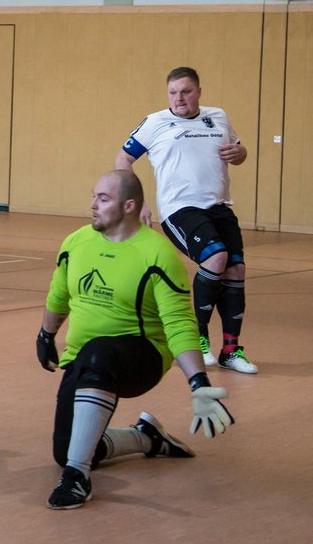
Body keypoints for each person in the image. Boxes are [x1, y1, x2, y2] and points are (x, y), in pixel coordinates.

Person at [36, 169, 234, 509]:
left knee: (98, 355)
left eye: (103, 199)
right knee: (65, 449)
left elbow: (178, 323)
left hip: (142, 357)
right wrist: (46, 334)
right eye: (94, 196)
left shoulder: (157, 254)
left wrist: (198, 383)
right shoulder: (76, 242)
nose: (93, 205)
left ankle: (77, 477)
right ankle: (146, 438)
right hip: (86, 358)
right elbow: (59, 294)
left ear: (129, 206)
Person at [115, 66, 256, 374]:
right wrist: (137, 200)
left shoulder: (218, 116)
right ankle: (197, 339)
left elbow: (239, 151)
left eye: (186, 91)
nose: (179, 98)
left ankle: (230, 350)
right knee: (216, 257)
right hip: (180, 209)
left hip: (219, 206)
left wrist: (241, 152)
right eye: (173, 92)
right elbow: (123, 159)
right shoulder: (155, 123)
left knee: (236, 269)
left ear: (199, 92)